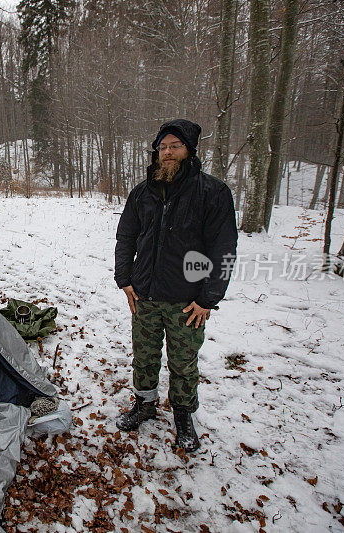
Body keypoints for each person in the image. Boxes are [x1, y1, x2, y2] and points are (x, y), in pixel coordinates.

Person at [113, 119, 238, 452]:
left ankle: (183, 414)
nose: (167, 153)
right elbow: (126, 237)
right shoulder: (142, 193)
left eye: (175, 146)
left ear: (189, 150)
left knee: (183, 362)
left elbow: (224, 250)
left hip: (187, 300)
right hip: (145, 295)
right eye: (162, 147)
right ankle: (144, 404)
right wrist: (124, 279)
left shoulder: (213, 193)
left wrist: (209, 299)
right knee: (145, 356)